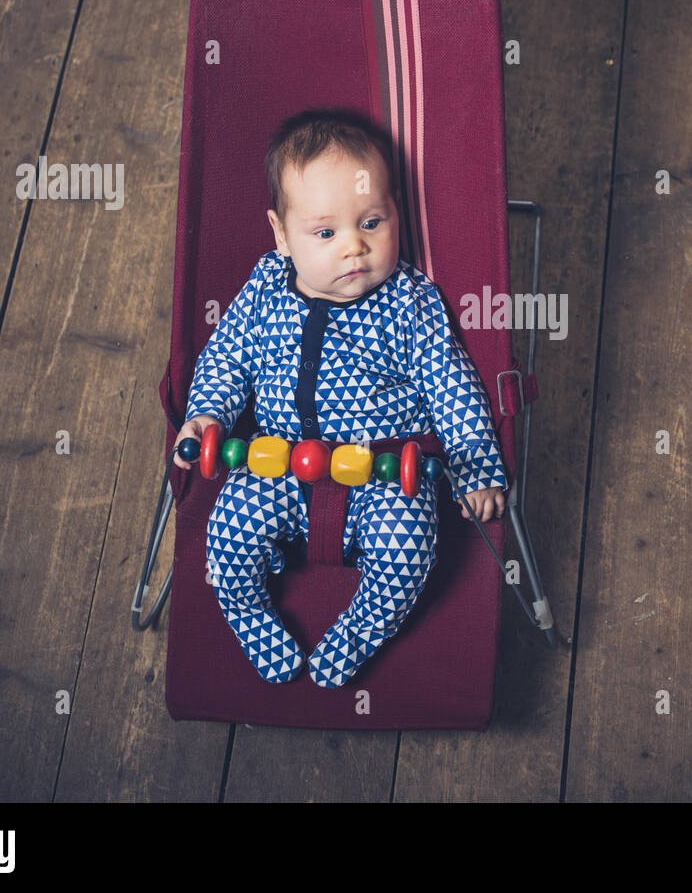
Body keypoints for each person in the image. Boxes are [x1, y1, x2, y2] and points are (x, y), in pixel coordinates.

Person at [173, 109, 506, 687]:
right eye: (326, 234)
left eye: (372, 222)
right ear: (281, 235)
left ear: (395, 210)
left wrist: (476, 465)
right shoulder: (264, 292)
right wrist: (205, 414)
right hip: (273, 464)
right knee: (225, 542)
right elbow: (226, 359)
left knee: (407, 555)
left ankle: (356, 634)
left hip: (383, 473)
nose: (354, 247)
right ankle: (252, 618)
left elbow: (451, 385)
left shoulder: (410, 302)